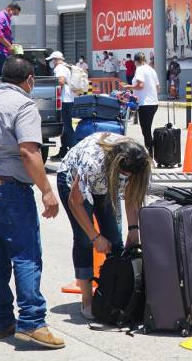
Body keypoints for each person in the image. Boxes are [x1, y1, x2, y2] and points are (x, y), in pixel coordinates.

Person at [0, 56, 65, 348]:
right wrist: (46, 190)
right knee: (26, 254)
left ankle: (1, 321)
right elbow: (29, 152)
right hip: (10, 190)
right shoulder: (24, 105)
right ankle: (33, 322)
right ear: (30, 79)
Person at [57, 132, 151, 319]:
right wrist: (95, 237)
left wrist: (134, 230)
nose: (128, 178)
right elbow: (75, 203)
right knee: (83, 239)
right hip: (73, 181)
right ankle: (87, 300)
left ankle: (114, 294)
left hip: (105, 185)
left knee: (115, 240)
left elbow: (132, 193)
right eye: (124, 175)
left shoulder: (139, 157)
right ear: (116, 164)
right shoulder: (91, 164)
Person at [128, 53, 159, 157]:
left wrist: (128, 86)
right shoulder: (151, 70)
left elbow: (140, 85)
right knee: (147, 130)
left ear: (136, 61)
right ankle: (151, 152)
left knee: (146, 131)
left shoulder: (140, 69)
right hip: (154, 103)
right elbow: (158, 88)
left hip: (145, 104)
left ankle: (150, 156)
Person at [47, 51, 74, 161]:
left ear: (55, 59)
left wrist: (54, 93)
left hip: (64, 100)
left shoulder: (59, 68)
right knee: (65, 126)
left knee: (66, 127)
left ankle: (72, 150)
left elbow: (61, 81)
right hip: (68, 99)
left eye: (52, 60)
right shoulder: (65, 67)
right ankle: (63, 151)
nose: (51, 62)